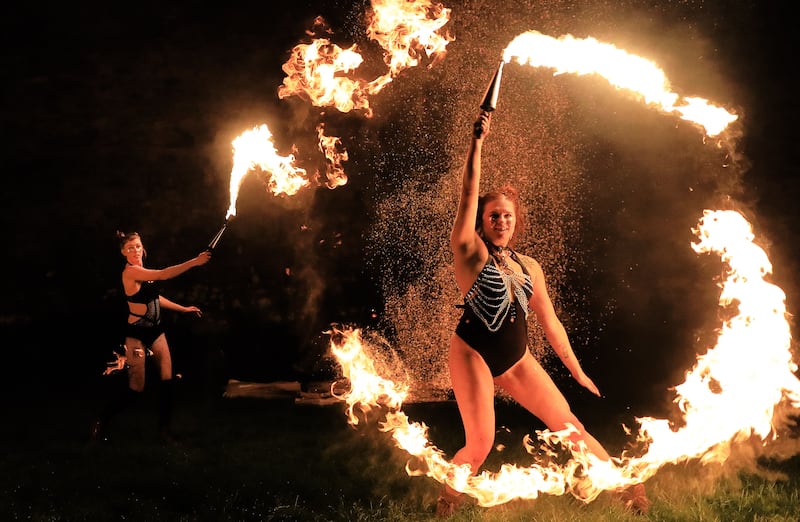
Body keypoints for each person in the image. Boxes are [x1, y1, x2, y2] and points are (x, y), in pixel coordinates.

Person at [436, 111, 649, 517]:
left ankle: (625, 489)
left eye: (508, 216)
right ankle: (446, 502)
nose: (501, 221)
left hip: (517, 360)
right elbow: (467, 193)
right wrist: (477, 143)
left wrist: (578, 371)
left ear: (516, 223)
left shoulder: (529, 266)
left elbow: (551, 324)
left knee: (570, 426)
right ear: (480, 222)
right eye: (493, 215)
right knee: (479, 444)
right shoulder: (469, 252)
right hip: (473, 354)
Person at [90, 231, 211, 444]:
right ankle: (101, 420)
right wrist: (195, 262)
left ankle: (164, 431)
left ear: (142, 246)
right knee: (136, 389)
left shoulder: (143, 272)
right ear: (123, 252)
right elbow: (164, 274)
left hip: (156, 331)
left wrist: (183, 309)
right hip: (136, 335)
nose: (134, 250)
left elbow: (155, 298)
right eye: (129, 248)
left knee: (167, 380)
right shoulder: (130, 272)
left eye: (137, 246)